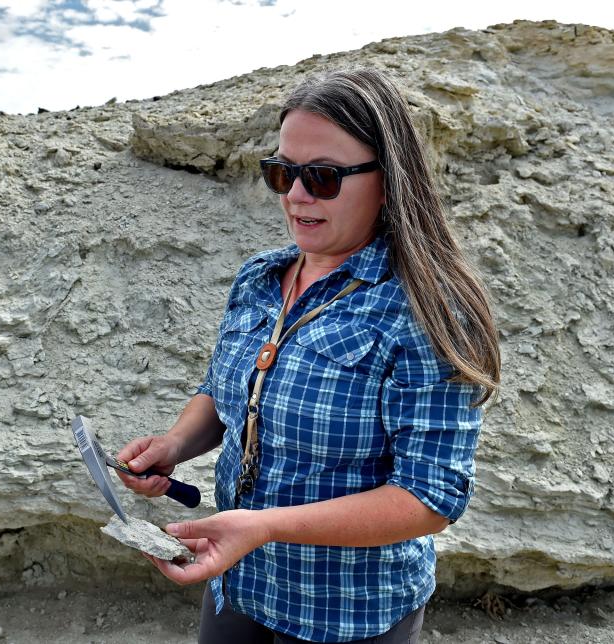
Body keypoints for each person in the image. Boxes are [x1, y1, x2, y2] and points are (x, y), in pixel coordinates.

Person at [115, 68, 501, 644]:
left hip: (347, 612)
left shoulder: (428, 311)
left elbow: (430, 497)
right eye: (283, 172)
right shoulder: (260, 278)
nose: (295, 196)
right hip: (241, 584)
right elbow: (225, 393)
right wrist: (174, 445)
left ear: (390, 180)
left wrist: (265, 527)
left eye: (322, 177)